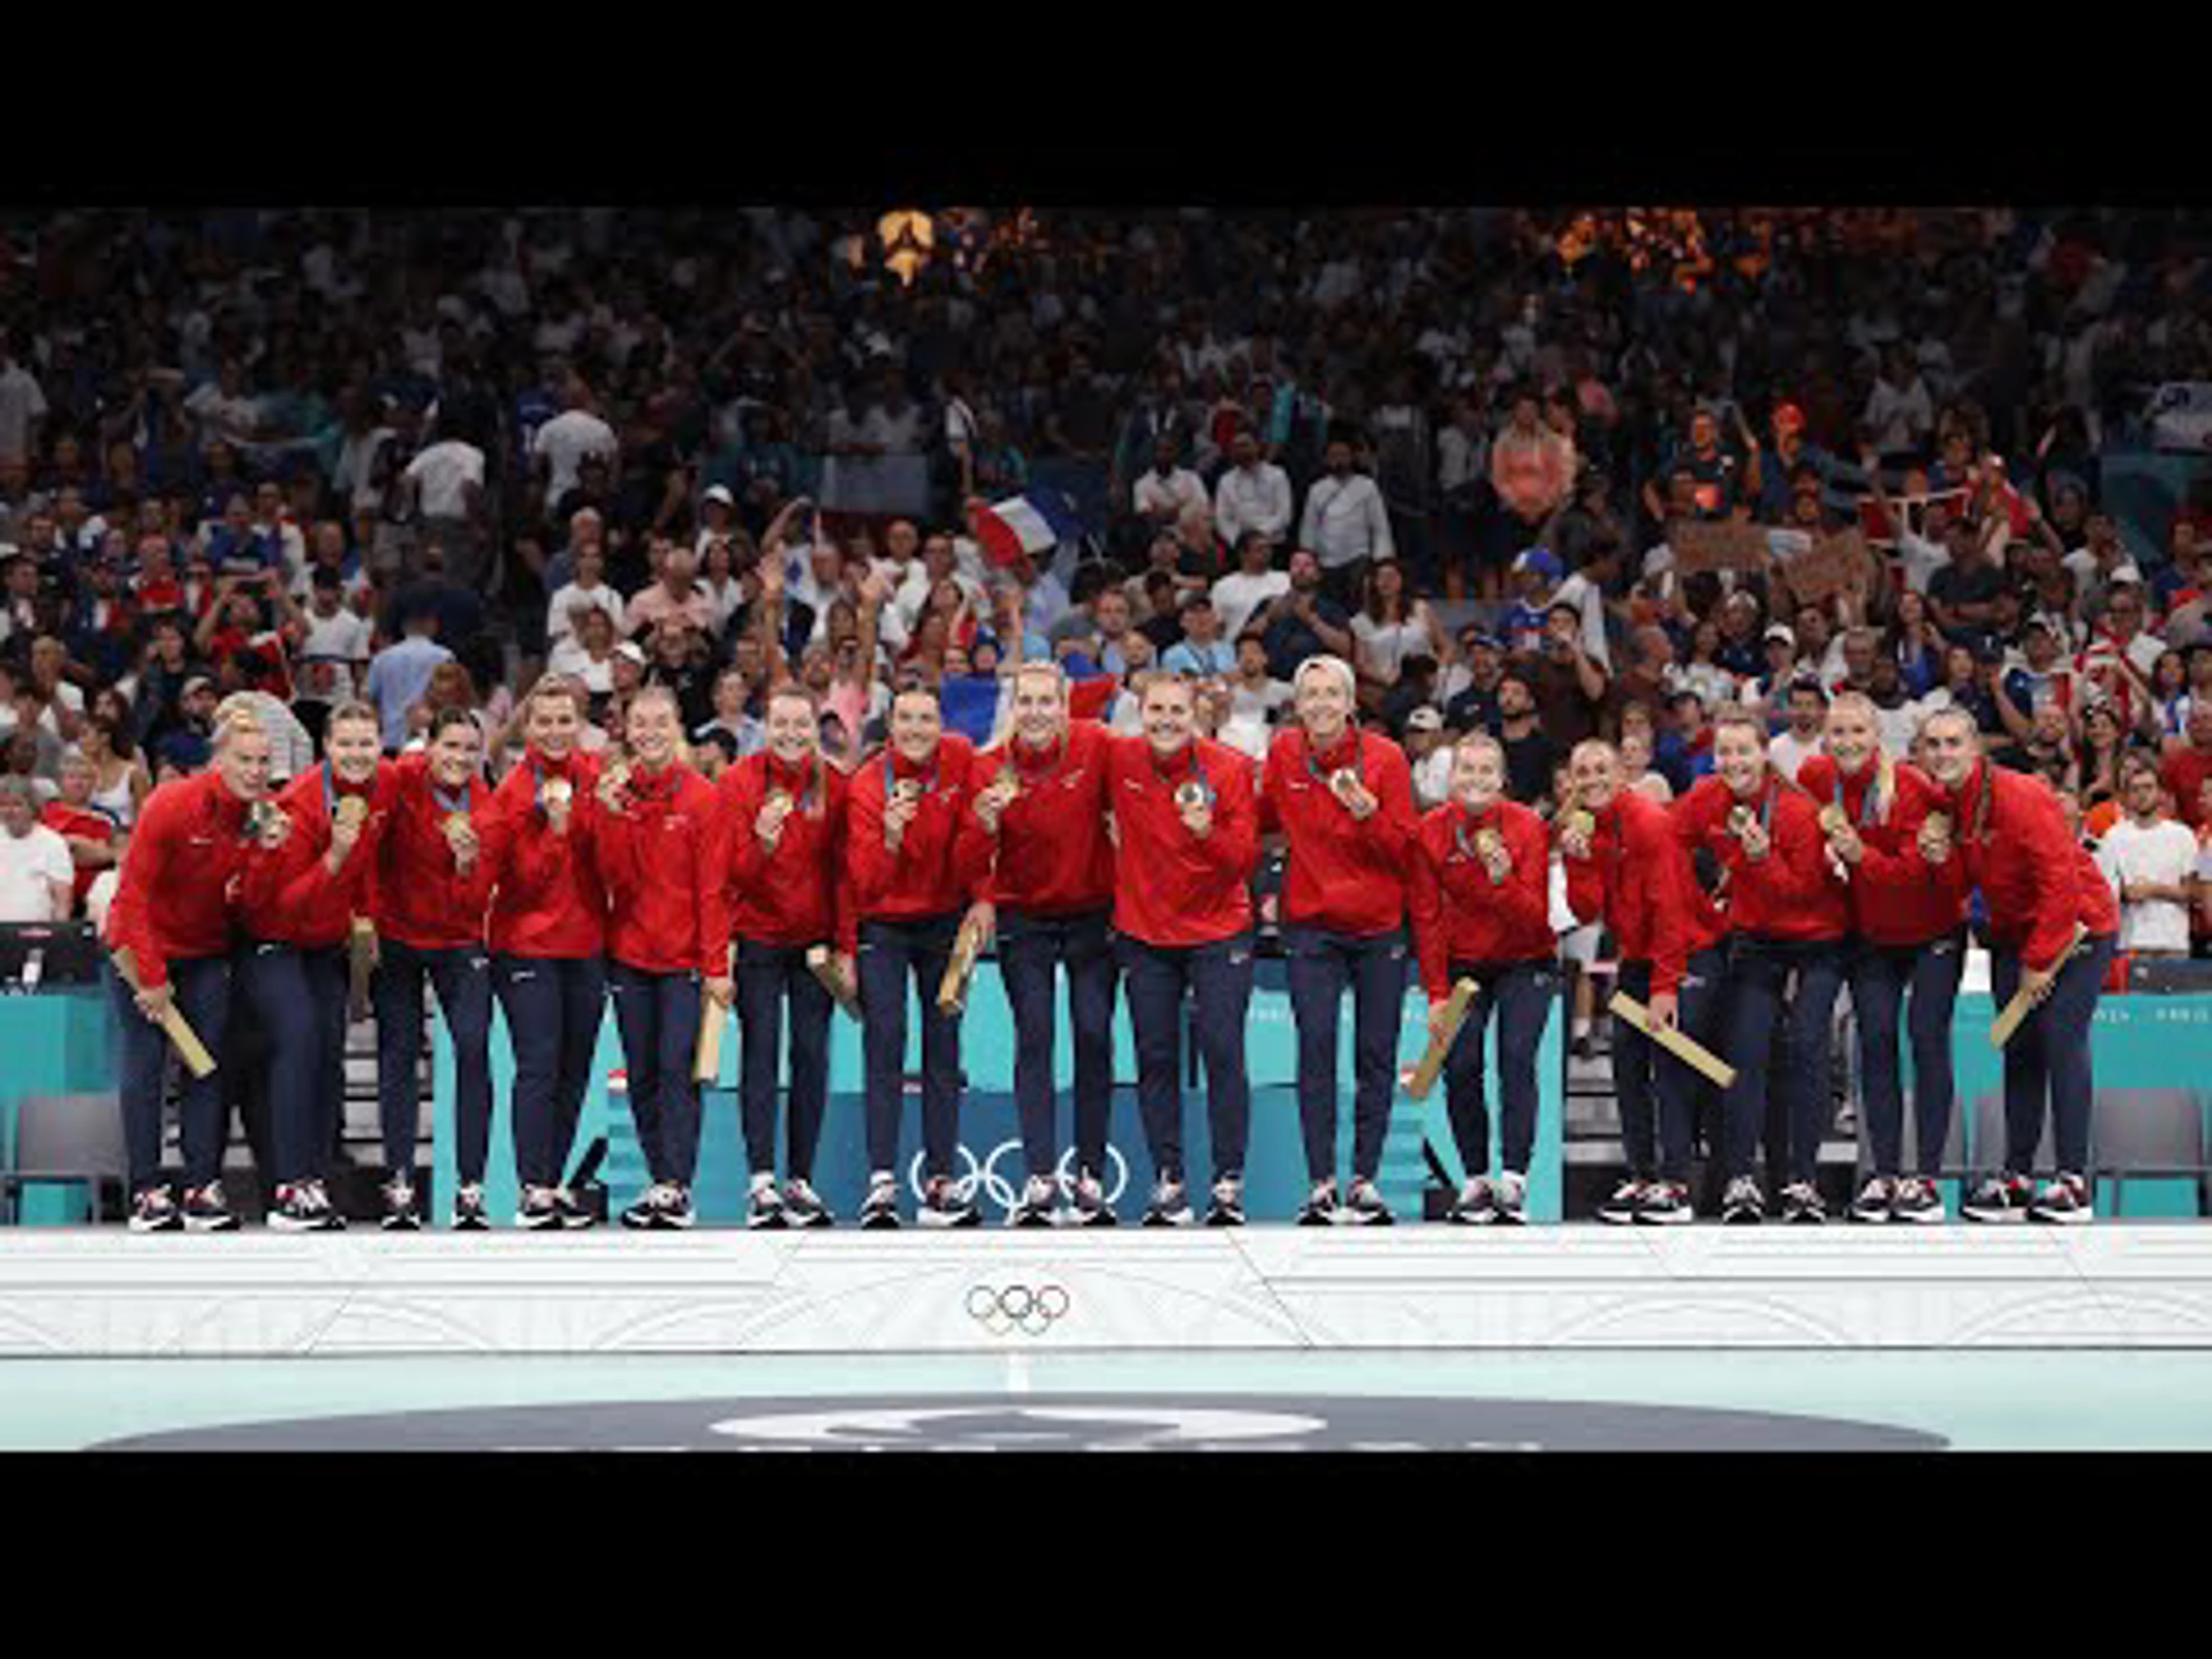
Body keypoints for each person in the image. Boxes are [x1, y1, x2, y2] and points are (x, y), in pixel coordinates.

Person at [1921, 707, 2120, 1223]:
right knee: (2020, 1050)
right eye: (1934, 744)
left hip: (2077, 928)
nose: (1943, 753)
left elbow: (2063, 885)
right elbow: (1969, 885)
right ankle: (2019, 1176)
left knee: (2060, 1038)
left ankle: (2074, 1183)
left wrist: (2039, 961)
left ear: (1976, 749)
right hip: (2013, 935)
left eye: (1953, 743)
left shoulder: (2022, 795)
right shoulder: (1950, 804)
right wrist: (1942, 860)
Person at [1673, 706, 1852, 1224]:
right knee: (1745, 1053)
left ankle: (1802, 1182)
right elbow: (1667, 843)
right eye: (1724, 752)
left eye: (1743, 751)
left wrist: (1760, 860)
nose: (1734, 761)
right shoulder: (1707, 797)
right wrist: (1704, 910)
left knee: (1806, 1048)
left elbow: (1801, 893)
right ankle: (1740, 1180)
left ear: (1764, 755)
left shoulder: (1795, 810)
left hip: (1818, 938)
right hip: (1757, 940)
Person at [956, 660, 1118, 1226]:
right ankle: (1042, 1180)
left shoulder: (1098, 745)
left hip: (1093, 915)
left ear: (1065, 705)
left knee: (1094, 1036)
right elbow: (969, 867)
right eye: (1026, 702)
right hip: (1025, 918)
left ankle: (1091, 1178)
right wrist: (981, 824)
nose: (1036, 713)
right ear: (1012, 708)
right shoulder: (987, 768)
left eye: (1047, 701)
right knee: (1035, 1039)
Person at [1799, 695, 1971, 1224]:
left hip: (1933, 930)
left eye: (1857, 732)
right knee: (1873, 1045)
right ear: (1825, 738)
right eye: (1838, 733)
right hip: (1872, 937)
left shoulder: (1913, 788)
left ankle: (1927, 1180)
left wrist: (1859, 858)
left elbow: (1914, 875)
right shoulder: (1813, 776)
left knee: (1926, 1038)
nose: (1848, 743)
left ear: (1878, 737)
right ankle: (1885, 1175)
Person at [1259, 656, 1419, 1225]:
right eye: (1312, 695)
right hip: (1312, 926)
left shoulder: (1388, 759)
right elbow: (1258, 817)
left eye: (1333, 694)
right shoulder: (1283, 752)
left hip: (1378, 928)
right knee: (1317, 1049)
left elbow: (1407, 852)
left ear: (1352, 704)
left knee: (1375, 1055)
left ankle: (1367, 1180)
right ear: (1298, 705)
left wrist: (1371, 816)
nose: (1322, 704)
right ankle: (1321, 1182)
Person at [103, 705, 273, 1232]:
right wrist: (152, 979)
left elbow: (251, 903)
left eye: (264, 761)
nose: (255, 771)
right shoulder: (171, 804)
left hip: (203, 953)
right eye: (244, 759)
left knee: (206, 1067)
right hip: (138, 948)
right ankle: (147, 1192)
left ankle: (202, 1188)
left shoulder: (261, 815)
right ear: (217, 759)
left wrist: (264, 857)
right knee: (145, 1069)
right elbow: (131, 898)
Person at [1106, 672, 1260, 1225]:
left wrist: (1205, 833)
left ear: (1196, 715)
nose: (1167, 721)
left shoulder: (1231, 768)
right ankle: (1169, 1182)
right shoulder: (1119, 760)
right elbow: (1051, 737)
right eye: (1156, 711)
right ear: (1140, 714)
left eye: (1177, 711)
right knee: (1156, 1059)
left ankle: (1227, 1183)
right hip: (1146, 935)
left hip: (1219, 932)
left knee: (1223, 1052)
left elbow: (1244, 860)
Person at [234, 700, 390, 1230]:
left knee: (329, 1055)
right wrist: (334, 860)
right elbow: (281, 905)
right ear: (326, 747)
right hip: (273, 942)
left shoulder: (377, 792)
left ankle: (314, 1183)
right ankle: (287, 1185)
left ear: (381, 745)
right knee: (299, 1039)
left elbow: (367, 875)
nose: (356, 754)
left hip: (324, 946)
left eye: (366, 743)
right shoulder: (298, 806)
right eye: (346, 744)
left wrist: (365, 925)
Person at [1559, 738, 1724, 1224]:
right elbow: (1585, 911)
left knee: (1669, 1057)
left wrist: (1666, 986)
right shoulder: (1585, 829)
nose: (1591, 779)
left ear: (1622, 775)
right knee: (1626, 1062)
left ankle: (1675, 1184)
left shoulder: (1649, 822)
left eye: (1600, 769)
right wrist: (1579, 860)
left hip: (1689, 950)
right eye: (1581, 771)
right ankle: (1643, 1176)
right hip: (1637, 955)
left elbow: (1669, 910)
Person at [844, 686, 984, 1228]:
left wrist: (984, 898)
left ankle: (941, 1183)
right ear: (891, 724)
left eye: (926, 718)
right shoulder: (865, 786)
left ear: (940, 723)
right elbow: (865, 884)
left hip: (945, 922)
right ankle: (881, 1181)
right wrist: (891, 837)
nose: (917, 729)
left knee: (944, 1049)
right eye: (906, 719)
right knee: (885, 1043)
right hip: (884, 924)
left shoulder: (961, 759)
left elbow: (976, 838)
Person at [593, 687, 732, 1231]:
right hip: (629, 957)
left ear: (677, 728)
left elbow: (713, 890)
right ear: (626, 730)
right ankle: (660, 1182)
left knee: (678, 1072)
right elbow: (613, 881)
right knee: (644, 1075)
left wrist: (716, 966)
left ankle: (677, 1185)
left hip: (683, 962)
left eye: (660, 722)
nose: (649, 732)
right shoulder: (613, 797)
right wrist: (612, 819)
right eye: (640, 723)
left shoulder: (702, 797)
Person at [1410, 734, 1556, 1224]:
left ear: (1502, 780)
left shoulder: (1529, 826)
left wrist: (1503, 883)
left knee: (1516, 1059)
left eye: (1486, 771)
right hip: (1462, 965)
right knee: (1461, 1063)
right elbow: (1427, 918)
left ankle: (1513, 1182)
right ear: (1451, 779)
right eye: (1466, 770)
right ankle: (1474, 1183)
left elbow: (1537, 920)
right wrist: (1435, 994)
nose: (1475, 779)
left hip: (1526, 958)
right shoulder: (1431, 830)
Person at [719, 685, 847, 1229]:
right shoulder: (738, 782)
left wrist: (844, 945)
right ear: (764, 729)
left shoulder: (835, 785)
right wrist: (761, 845)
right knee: (761, 1053)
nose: (792, 735)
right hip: (758, 939)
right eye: (781, 725)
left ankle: (801, 1179)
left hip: (815, 944)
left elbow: (845, 875)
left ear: (815, 729)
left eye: (802, 725)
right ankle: (761, 1181)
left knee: (812, 1057)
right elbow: (728, 874)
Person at [485, 677, 607, 1229]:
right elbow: (521, 883)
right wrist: (557, 832)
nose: (556, 732)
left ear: (579, 725)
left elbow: (611, 862)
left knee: (575, 1069)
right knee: (538, 1066)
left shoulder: (597, 778)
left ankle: (553, 1183)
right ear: (528, 727)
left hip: (587, 944)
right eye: (545, 722)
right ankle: (531, 1187)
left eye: (565, 721)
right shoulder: (512, 791)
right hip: (526, 945)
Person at [371, 707, 499, 1229]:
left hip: (459, 940)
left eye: (470, 750)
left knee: (473, 1049)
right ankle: (400, 1183)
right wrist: (367, 918)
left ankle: (471, 1188)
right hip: (397, 938)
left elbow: (480, 900)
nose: (460, 759)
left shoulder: (487, 808)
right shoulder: (399, 781)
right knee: (398, 1055)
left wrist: (468, 867)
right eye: (451, 747)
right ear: (428, 746)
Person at [2096, 752, 2198, 960]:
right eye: (2135, 790)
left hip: (2174, 942)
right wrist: (2126, 893)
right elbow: (2105, 892)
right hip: (2130, 942)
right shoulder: (2113, 837)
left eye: (2148, 788)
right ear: (2125, 796)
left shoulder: (2183, 835)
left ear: (2160, 793)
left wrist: (2154, 889)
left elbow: (2194, 892)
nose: (2142, 795)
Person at [0, 775, 72, 922]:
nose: (9, 811)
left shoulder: (53, 843)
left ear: (33, 808)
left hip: (36, 934)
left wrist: (58, 936)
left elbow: (62, 900)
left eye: (17, 805)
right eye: (3, 805)